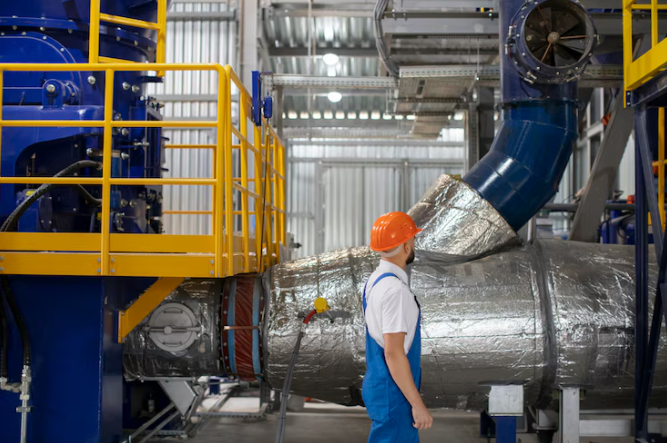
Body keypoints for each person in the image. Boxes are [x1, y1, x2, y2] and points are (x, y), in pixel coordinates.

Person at [361, 212, 433, 443]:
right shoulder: (395, 291)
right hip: (395, 393)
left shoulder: (374, 281)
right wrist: (417, 404)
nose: (414, 244)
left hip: (383, 384)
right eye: (412, 239)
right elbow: (393, 353)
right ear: (405, 245)